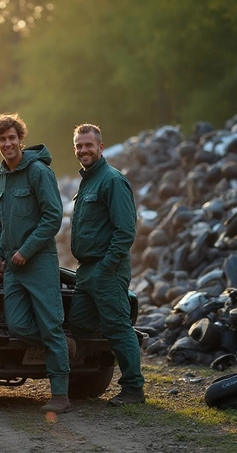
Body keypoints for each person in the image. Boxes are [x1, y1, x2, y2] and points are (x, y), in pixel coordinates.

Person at [0, 113, 73, 414]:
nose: (8, 143)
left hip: (39, 262)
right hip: (12, 266)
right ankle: (64, 347)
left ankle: (60, 395)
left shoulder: (38, 172)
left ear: (20, 139)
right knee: (18, 325)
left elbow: (53, 217)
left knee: (51, 326)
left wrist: (26, 250)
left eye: (12, 138)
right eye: (2, 139)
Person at [68, 123, 145, 406]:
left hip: (106, 269)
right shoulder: (88, 180)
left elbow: (125, 230)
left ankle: (133, 389)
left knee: (117, 327)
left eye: (88, 145)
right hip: (87, 270)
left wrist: (107, 266)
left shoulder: (112, 180)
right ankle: (82, 381)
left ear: (100, 147)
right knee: (77, 324)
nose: (83, 150)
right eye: (78, 145)